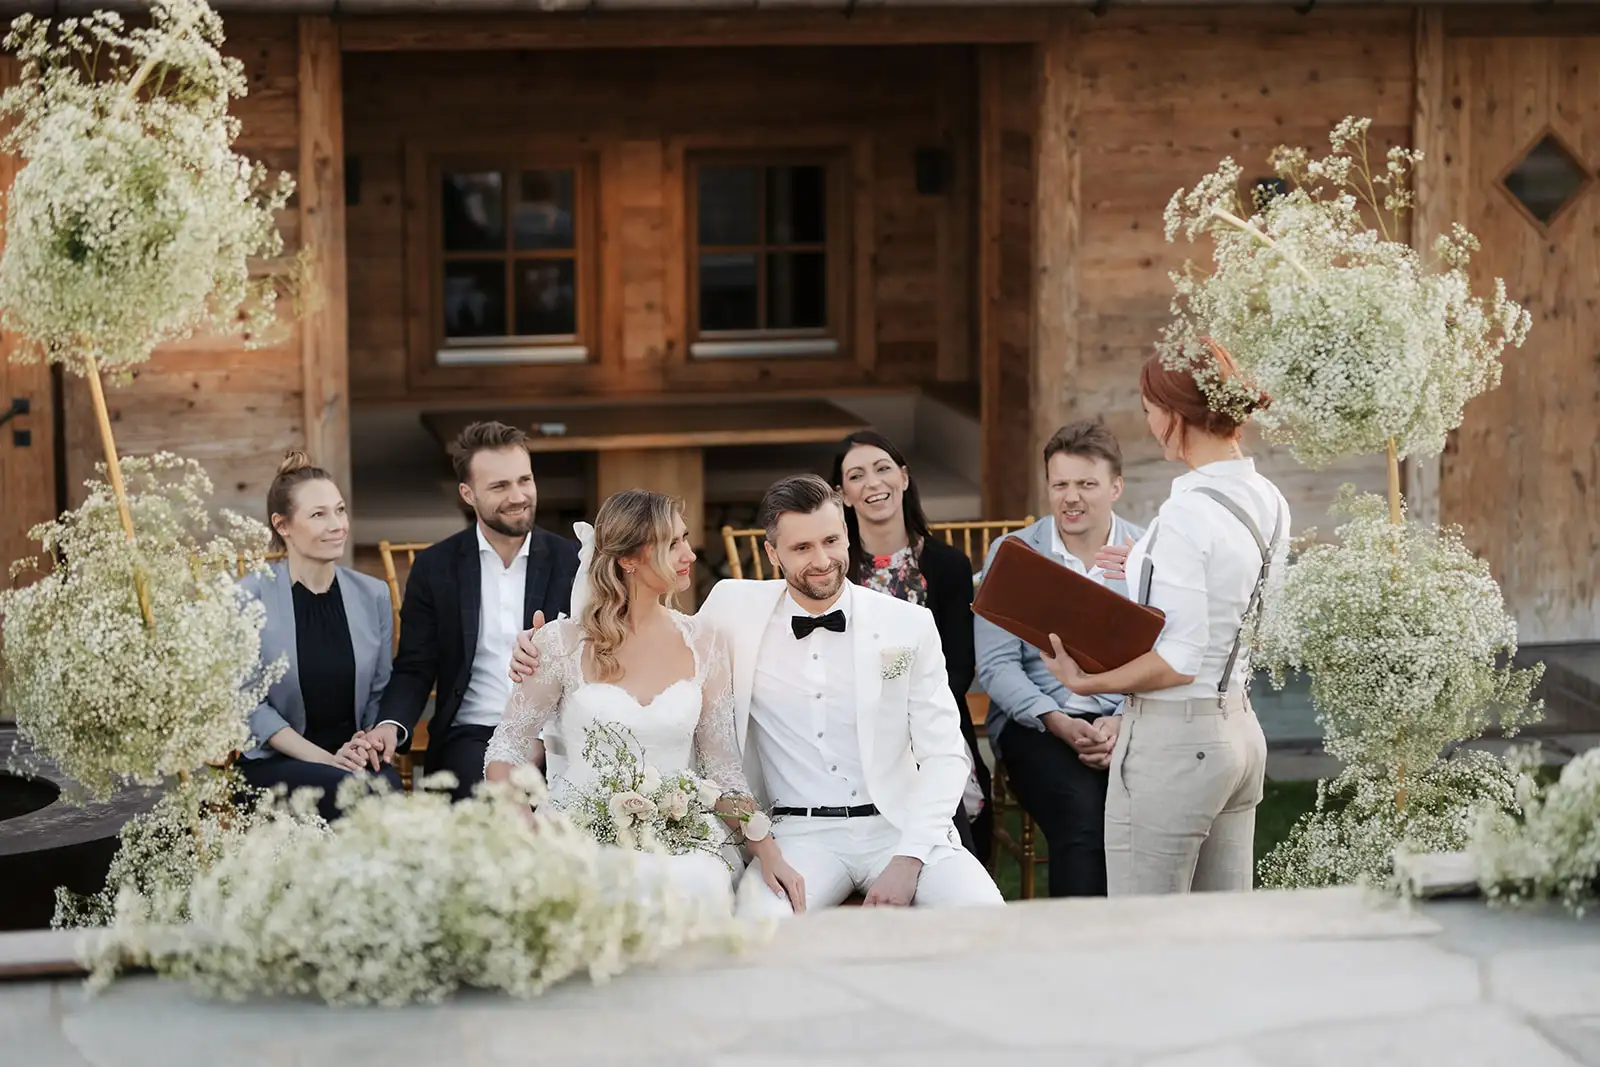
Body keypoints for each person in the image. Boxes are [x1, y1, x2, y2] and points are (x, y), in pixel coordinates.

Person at [512, 475, 1004, 915]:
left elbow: (945, 756)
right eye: (802, 547)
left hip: (903, 827)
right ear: (772, 554)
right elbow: (635, 646)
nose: (822, 560)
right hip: (800, 834)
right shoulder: (730, 609)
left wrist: (910, 857)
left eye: (832, 541)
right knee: (756, 928)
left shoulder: (908, 624)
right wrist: (539, 650)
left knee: (985, 913)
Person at [1040, 341, 1289, 895]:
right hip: (1241, 732)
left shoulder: (1184, 514)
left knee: (1146, 938)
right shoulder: (1268, 498)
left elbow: (1177, 660)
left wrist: (1088, 680)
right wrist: (1143, 567)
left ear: (1176, 414)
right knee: (1220, 938)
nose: (1148, 421)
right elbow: (1234, 594)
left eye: (1150, 407)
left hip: (1175, 744)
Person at [484, 490, 801, 908]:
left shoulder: (705, 644)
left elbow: (723, 773)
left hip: (681, 836)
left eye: (685, 538)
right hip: (577, 832)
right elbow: (505, 748)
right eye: (673, 544)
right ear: (629, 559)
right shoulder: (560, 644)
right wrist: (525, 828)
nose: (689, 552)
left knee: (696, 884)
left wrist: (769, 851)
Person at [975, 419, 1145, 896]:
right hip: (1039, 725)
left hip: (1130, 718)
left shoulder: (1147, 551)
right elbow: (997, 666)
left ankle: (1149, 949)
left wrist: (1119, 721)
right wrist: (1059, 722)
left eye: (1087, 484)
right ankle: (1078, 957)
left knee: (1147, 821)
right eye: (1060, 484)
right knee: (1084, 820)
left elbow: (1162, 654)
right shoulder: (1014, 554)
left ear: (1115, 487)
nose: (1072, 497)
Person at [370, 421, 580, 800]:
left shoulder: (573, 562)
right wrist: (390, 725)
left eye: (524, 480)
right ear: (467, 494)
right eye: (500, 486)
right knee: (484, 805)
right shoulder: (436, 567)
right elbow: (416, 666)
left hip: (558, 735)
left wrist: (538, 735)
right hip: (471, 733)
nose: (518, 496)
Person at [831, 430, 991, 861]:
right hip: (853, 726)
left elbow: (960, 667)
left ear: (903, 477)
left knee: (944, 795)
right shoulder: (832, 573)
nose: (873, 483)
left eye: (883, 469)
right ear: (844, 495)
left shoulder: (948, 566)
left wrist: (908, 720)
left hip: (930, 720)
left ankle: (957, 887)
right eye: (857, 476)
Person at [239, 452, 403, 820]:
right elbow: (249, 708)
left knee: (386, 788)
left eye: (340, 510)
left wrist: (364, 744)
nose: (338, 525)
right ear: (282, 525)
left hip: (351, 758)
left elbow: (379, 691)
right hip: (278, 763)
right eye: (319, 515)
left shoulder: (372, 594)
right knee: (354, 792)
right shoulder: (249, 597)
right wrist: (329, 760)